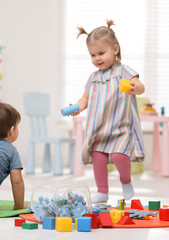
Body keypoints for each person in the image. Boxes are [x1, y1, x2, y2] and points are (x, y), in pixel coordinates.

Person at [71, 19, 145, 203]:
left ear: (115, 49)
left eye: (101, 53)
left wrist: (134, 87)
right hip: (99, 128)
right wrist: (77, 107)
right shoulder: (93, 78)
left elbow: (140, 86)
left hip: (120, 126)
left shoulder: (124, 72)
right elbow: (85, 98)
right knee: (98, 159)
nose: (97, 58)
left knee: (120, 156)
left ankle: (126, 181)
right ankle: (102, 192)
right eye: (93, 55)